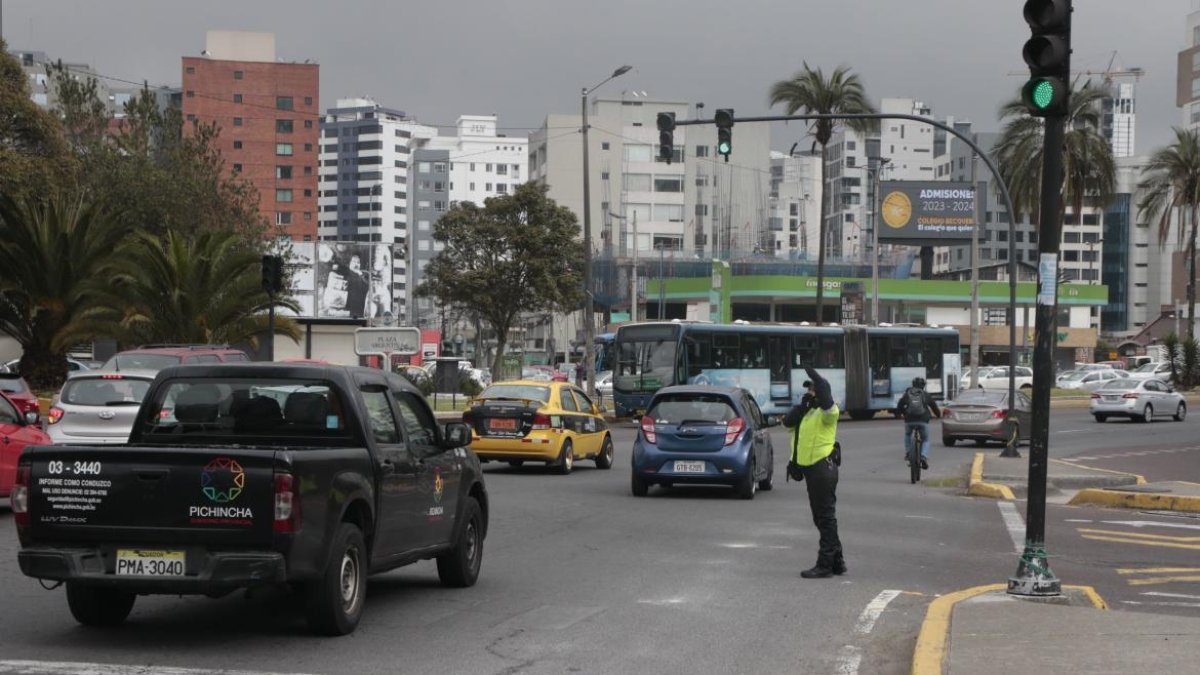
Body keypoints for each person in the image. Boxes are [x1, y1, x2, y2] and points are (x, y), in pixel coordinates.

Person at [782, 367, 845, 579]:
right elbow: (786, 422)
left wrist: (818, 379)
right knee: (820, 518)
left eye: (813, 390)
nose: (809, 393)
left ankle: (825, 564)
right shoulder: (806, 413)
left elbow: (826, 400)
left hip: (822, 468)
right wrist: (802, 406)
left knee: (825, 518)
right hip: (810, 472)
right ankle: (838, 561)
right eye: (808, 390)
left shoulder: (829, 413)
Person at [897, 377, 941, 469]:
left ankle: (908, 453)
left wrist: (901, 414)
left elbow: (900, 404)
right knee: (925, 439)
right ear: (923, 386)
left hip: (909, 421)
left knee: (908, 435)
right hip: (923, 420)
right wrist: (938, 415)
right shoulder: (925, 394)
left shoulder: (907, 394)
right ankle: (923, 457)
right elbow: (933, 406)